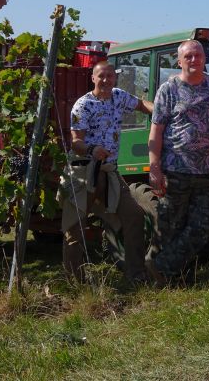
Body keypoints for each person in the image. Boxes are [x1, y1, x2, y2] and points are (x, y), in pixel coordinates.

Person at [147, 40, 209, 283]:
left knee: (205, 225)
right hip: (175, 169)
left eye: (198, 55)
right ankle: (167, 276)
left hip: (208, 171)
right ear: (179, 61)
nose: (194, 60)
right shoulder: (168, 90)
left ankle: (158, 268)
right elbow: (156, 131)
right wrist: (155, 168)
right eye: (188, 56)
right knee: (169, 225)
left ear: (204, 59)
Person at [61, 61, 154, 283]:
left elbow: (141, 104)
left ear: (115, 79)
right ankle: (75, 282)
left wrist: (162, 112)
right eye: (101, 76)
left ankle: (136, 274)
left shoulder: (118, 96)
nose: (105, 80)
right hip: (84, 170)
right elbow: (76, 142)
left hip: (110, 170)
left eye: (110, 76)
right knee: (75, 227)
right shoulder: (83, 105)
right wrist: (92, 149)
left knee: (134, 215)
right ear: (93, 78)